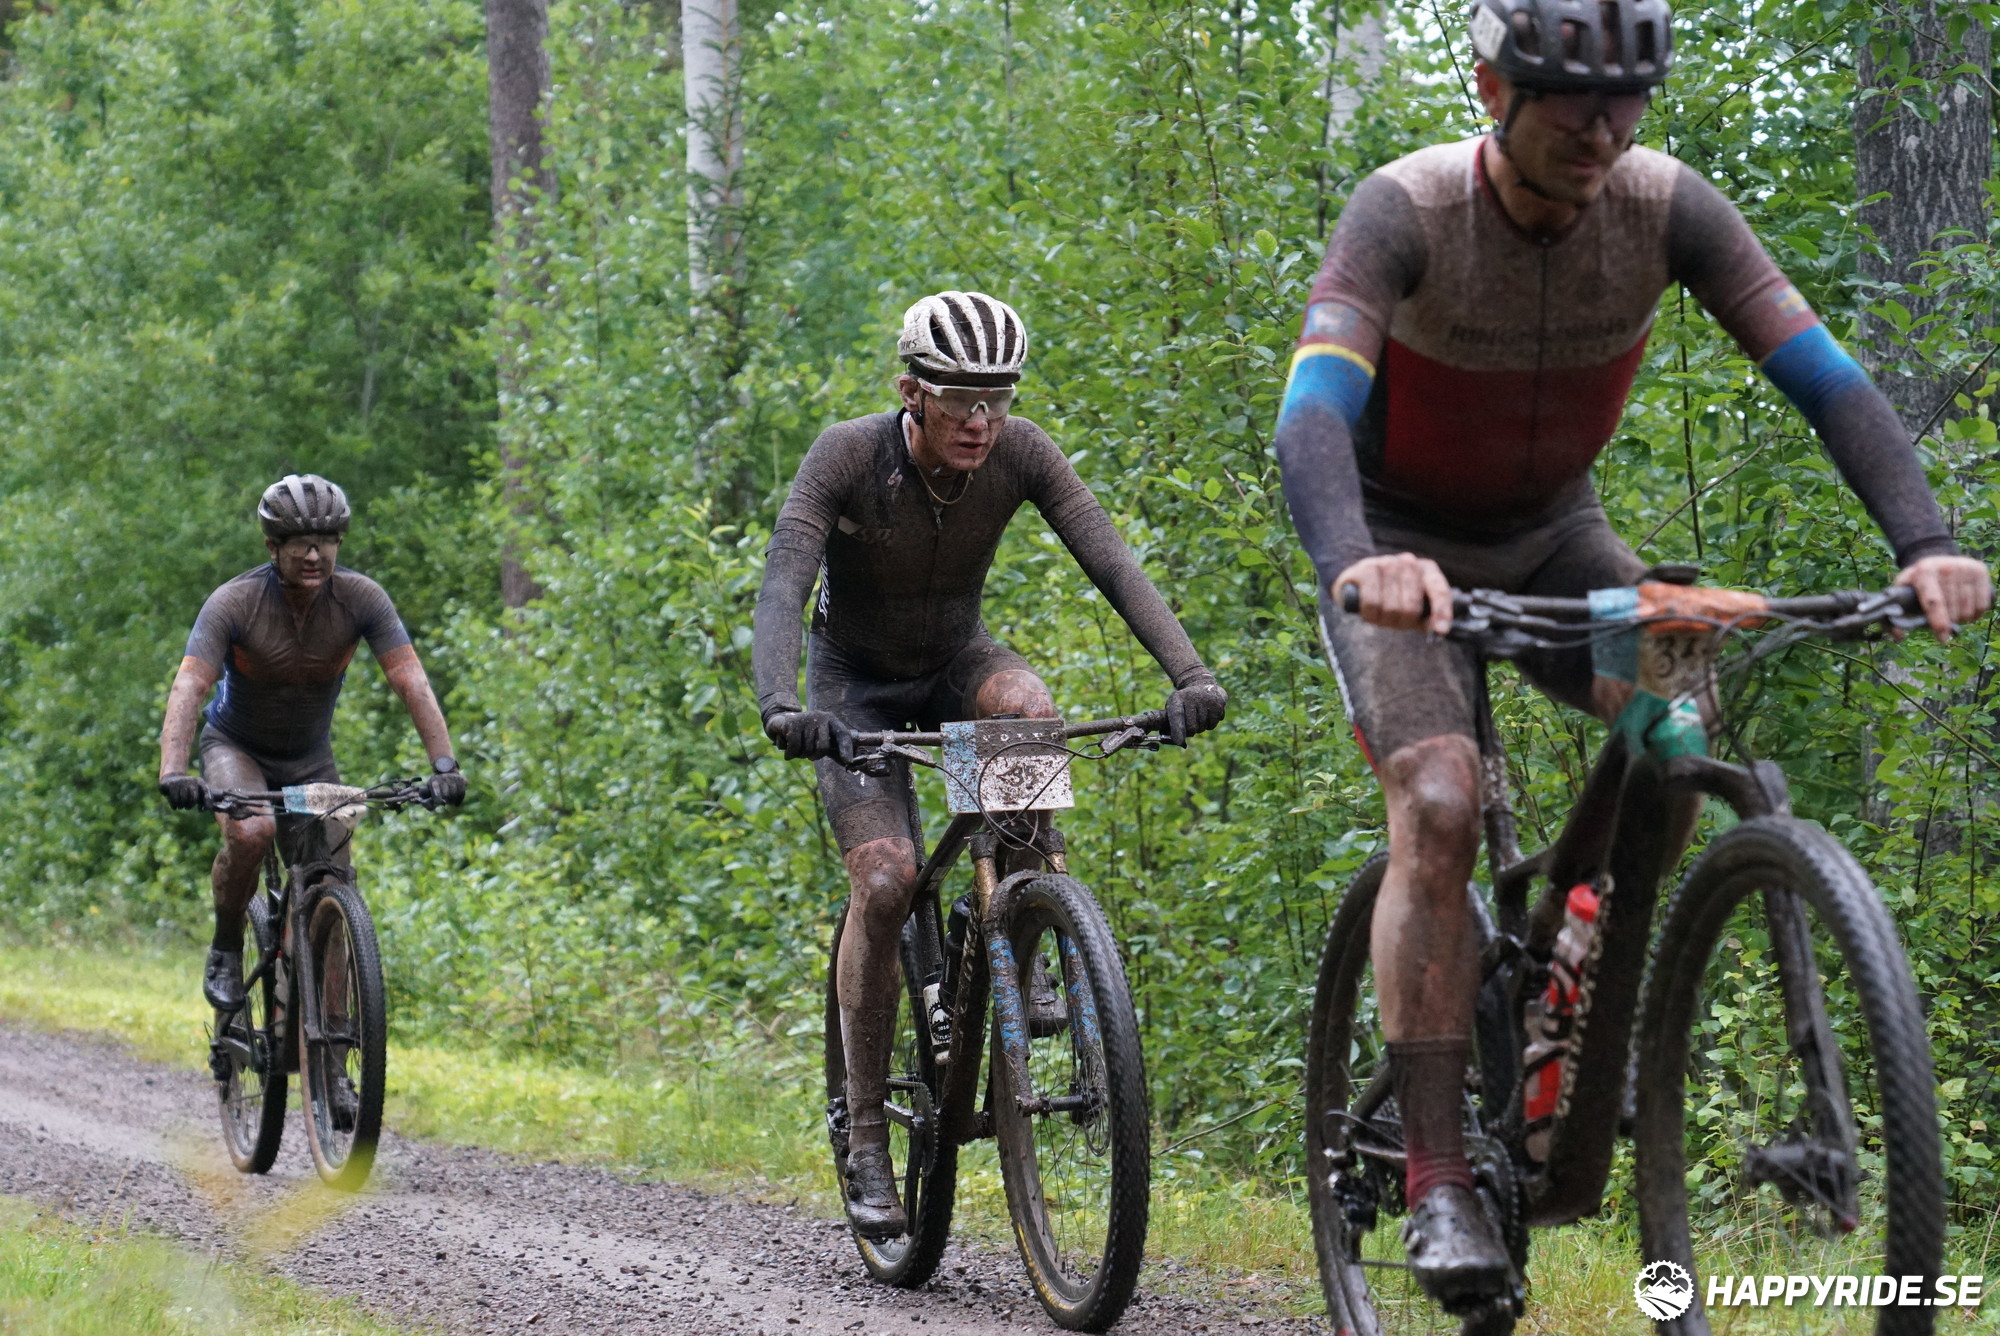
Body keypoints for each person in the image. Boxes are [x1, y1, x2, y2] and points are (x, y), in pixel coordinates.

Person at [1272, 0, 1992, 1312]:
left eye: (1624, 104)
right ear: (1492, 90)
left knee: (1677, 723)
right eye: (1569, 104)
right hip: (1398, 552)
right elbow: (1313, 408)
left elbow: (1823, 376)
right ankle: (1436, 1175)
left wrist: (1926, 542)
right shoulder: (1406, 209)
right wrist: (1354, 561)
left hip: (1557, 542)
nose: (1601, 133)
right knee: (1437, 799)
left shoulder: (1667, 207)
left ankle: (1575, 993)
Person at [754, 291, 1228, 1239]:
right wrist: (781, 704)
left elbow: (1111, 560)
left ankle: (1012, 917)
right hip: (853, 689)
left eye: (999, 399)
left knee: (1027, 708)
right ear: (911, 393)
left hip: (955, 662)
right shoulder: (847, 456)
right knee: (885, 881)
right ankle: (864, 1135)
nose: (982, 420)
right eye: (961, 400)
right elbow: (784, 579)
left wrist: (1192, 675)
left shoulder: (1021, 452)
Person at [158, 475, 467, 1017]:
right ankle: (226, 945)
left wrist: (444, 765)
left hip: (309, 759)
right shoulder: (235, 602)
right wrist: (175, 771)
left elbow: (409, 679)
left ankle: (331, 1039)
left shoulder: (361, 599)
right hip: (236, 747)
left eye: (326, 542)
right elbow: (190, 685)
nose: (313, 555)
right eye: (300, 543)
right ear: (272, 547)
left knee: (332, 881)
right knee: (252, 831)